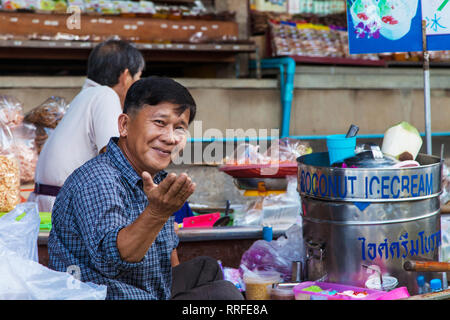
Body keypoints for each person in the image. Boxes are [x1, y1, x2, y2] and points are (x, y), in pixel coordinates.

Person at [48, 76, 244, 300]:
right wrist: (157, 213)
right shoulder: (99, 179)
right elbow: (114, 260)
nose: (170, 138)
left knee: (205, 269)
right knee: (225, 296)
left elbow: (167, 255)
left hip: (146, 291)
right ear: (124, 125)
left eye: (179, 128)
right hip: (106, 295)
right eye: (160, 123)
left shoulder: (155, 178)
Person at [29, 39, 144, 213]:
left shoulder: (87, 95)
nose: (138, 83)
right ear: (126, 76)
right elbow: (114, 154)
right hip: (66, 207)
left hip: (52, 200)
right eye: (138, 77)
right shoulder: (105, 95)